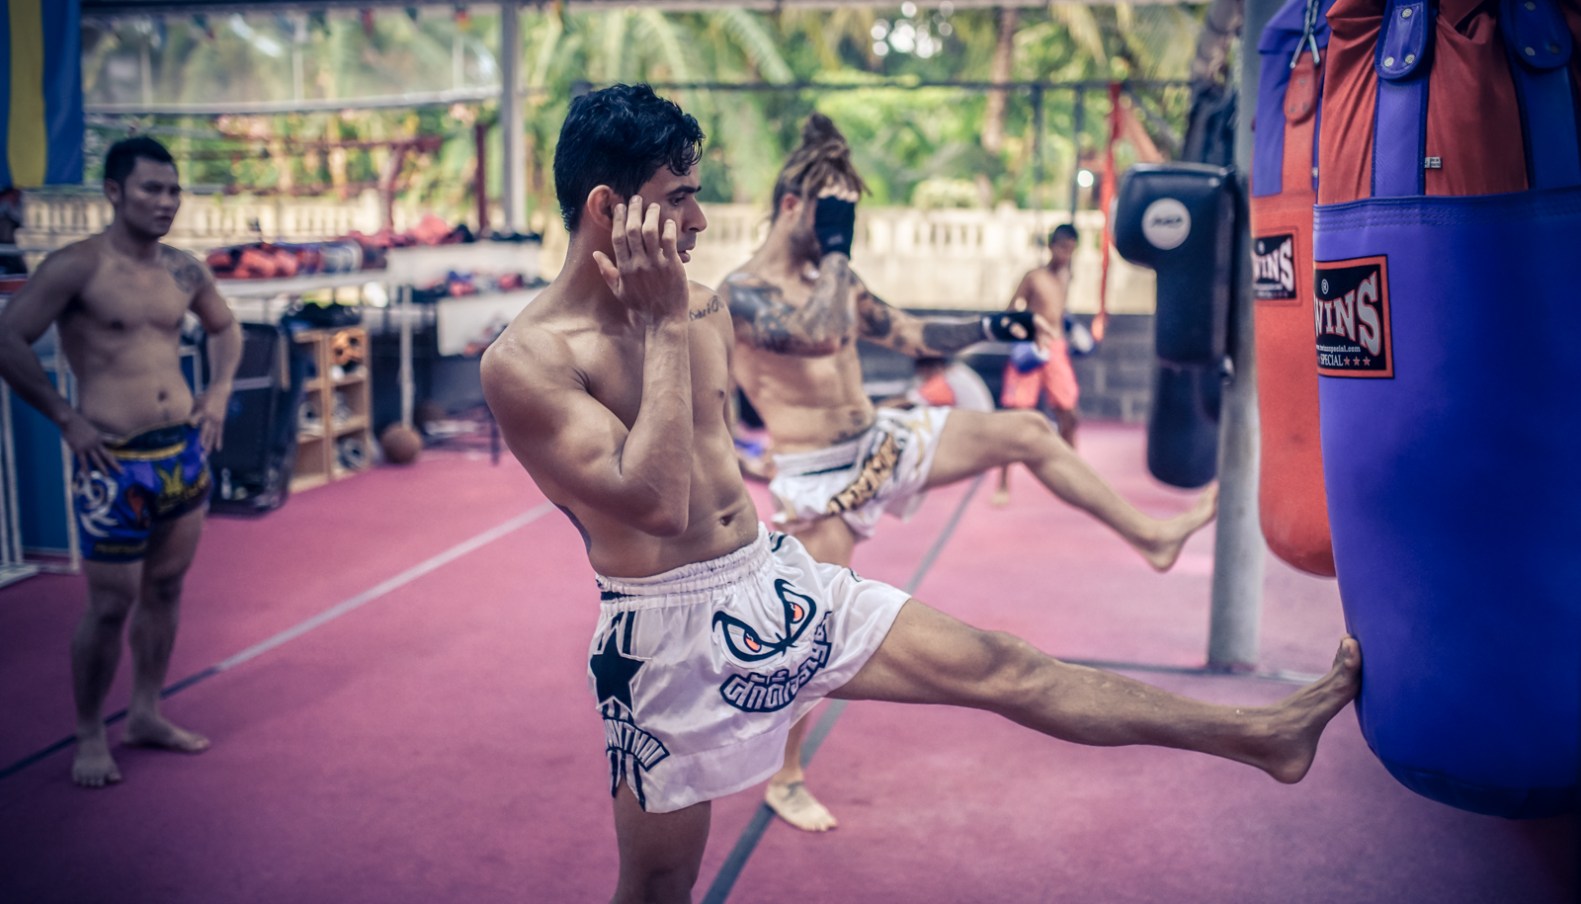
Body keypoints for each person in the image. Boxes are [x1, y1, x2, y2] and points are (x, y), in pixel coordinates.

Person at [481, 84, 1359, 903]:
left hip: (771, 580)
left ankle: (1258, 735)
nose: (699, 220)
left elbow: (763, 410)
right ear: (608, 209)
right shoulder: (531, 361)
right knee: (657, 894)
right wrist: (663, 324)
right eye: (679, 198)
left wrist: (978, 328)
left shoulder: (702, 306)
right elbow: (656, 506)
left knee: (1004, 664)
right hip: (664, 645)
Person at [724, 114, 1220, 832]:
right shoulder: (742, 293)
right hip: (818, 480)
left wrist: (995, 326)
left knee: (1026, 429)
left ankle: (1150, 536)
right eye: (835, 211)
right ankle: (787, 773)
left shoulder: (833, 278)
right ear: (794, 206)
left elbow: (910, 332)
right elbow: (817, 331)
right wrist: (835, 252)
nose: (846, 226)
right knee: (812, 639)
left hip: (881, 439)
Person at [0, 136, 242, 788]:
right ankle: (88, 735)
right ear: (114, 192)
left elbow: (225, 326)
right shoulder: (76, 268)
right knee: (110, 606)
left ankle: (145, 713)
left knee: (166, 589)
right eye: (151, 189)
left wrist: (217, 391)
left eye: (172, 190)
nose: (165, 202)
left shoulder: (184, 271)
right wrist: (65, 417)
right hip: (114, 464)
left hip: (180, 457)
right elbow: (7, 336)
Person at [996, 224, 1084, 505]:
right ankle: (1002, 483)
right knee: (1016, 417)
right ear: (1051, 246)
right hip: (1034, 347)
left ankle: (1073, 479)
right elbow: (1011, 310)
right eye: (1061, 247)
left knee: (1069, 413)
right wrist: (1025, 333)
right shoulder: (1034, 277)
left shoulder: (1068, 275)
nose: (1064, 254)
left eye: (1070, 249)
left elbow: (1059, 312)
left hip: (1057, 349)